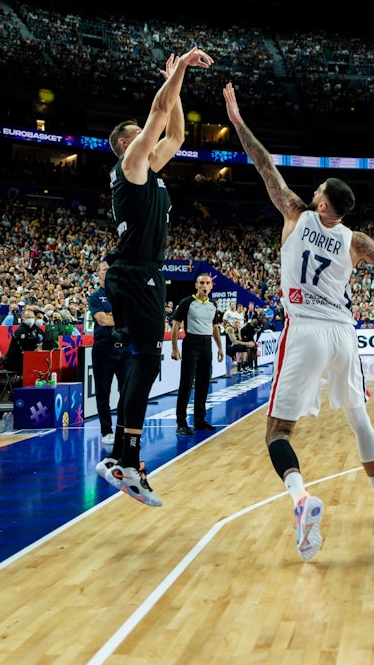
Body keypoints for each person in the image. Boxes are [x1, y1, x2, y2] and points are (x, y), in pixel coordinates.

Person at [224, 82, 374, 561]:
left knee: (278, 433)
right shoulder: (355, 240)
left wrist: (238, 122)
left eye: (317, 190)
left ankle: (301, 499)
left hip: (304, 329)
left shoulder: (295, 214)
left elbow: (264, 165)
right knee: (358, 416)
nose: (311, 191)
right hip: (344, 334)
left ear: (322, 205)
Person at [96, 46, 214, 507]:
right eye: (142, 133)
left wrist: (176, 84)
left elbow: (178, 132)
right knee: (146, 360)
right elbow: (160, 112)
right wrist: (180, 68)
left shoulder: (148, 168)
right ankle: (128, 459)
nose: (152, 134)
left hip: (139, 274)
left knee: (144, 360)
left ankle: (123, 456)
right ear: (128, 143)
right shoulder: (130, 164)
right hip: (136, 273)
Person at [170, 273, 223, 435]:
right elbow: (175, 325)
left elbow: (214, 328)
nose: (204, 286)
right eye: (201, 283)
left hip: (206, 344)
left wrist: (220, 347)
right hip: (191, 343)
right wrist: (174, 347)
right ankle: (181, 422)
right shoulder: (187, 303)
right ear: (196, 285)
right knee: (186, 383)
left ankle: (200, 420)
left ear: (211, 286)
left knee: (203, 383)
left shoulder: (213, 304)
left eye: (207, 283)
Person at [88, 261, 131, 446]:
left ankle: (125, 430)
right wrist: (121, 317)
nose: (109, 272)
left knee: (127, 391)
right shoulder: (95, 297)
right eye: (105, 269)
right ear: (98, 274)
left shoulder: (123, 294)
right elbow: (103, 320)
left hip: (125, 349)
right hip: (104, 349)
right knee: (103, 392)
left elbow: (132, 317)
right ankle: (106, 431)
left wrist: (115, 316)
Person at [3, 308, 42, 375]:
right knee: (35, 364)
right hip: (14, 361)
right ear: (23, 319)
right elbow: (24, 349)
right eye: (28, 317)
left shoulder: (35, 329)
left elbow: (42, 339)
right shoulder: (20, 331)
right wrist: (35, 348)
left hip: (27, 358)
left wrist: (40, 346)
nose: (31, 319)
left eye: (32, 317)